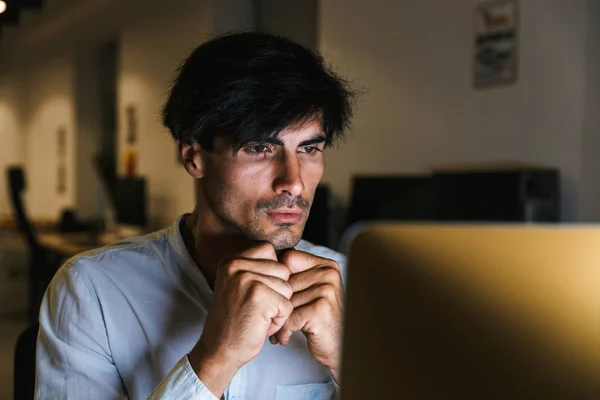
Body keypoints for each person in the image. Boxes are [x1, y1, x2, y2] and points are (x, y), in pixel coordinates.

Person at [35, 32, 356, 400]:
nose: (295, 183)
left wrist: (349, 363)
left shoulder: (357, 287)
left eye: (309, 148)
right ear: (194, 156)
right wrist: (215, 360)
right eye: (259, 147)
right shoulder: (92, 292)